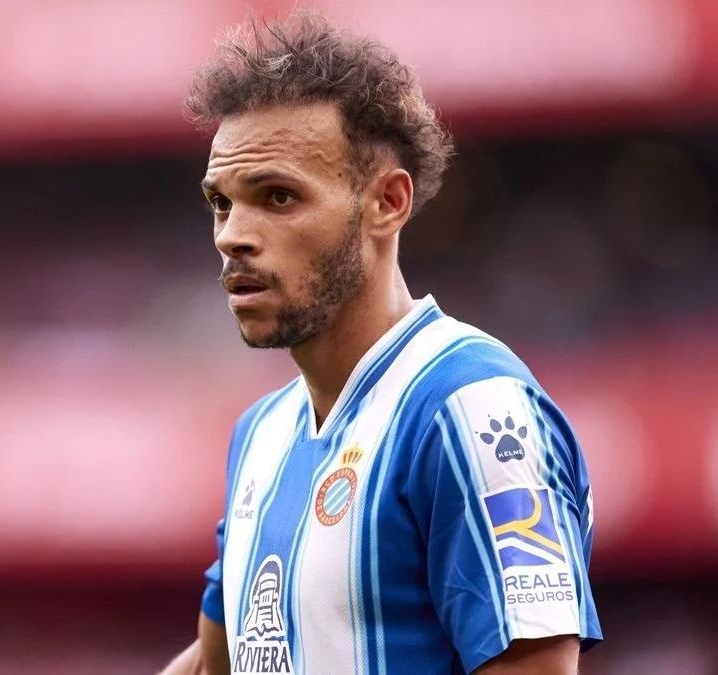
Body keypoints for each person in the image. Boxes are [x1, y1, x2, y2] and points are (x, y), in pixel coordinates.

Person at [161, 12, 601, 675]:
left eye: (277, 197)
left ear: (387, 202)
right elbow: (213, 664)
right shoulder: (260, 436)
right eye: (221, 203)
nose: (232, 235)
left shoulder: (469, 410)